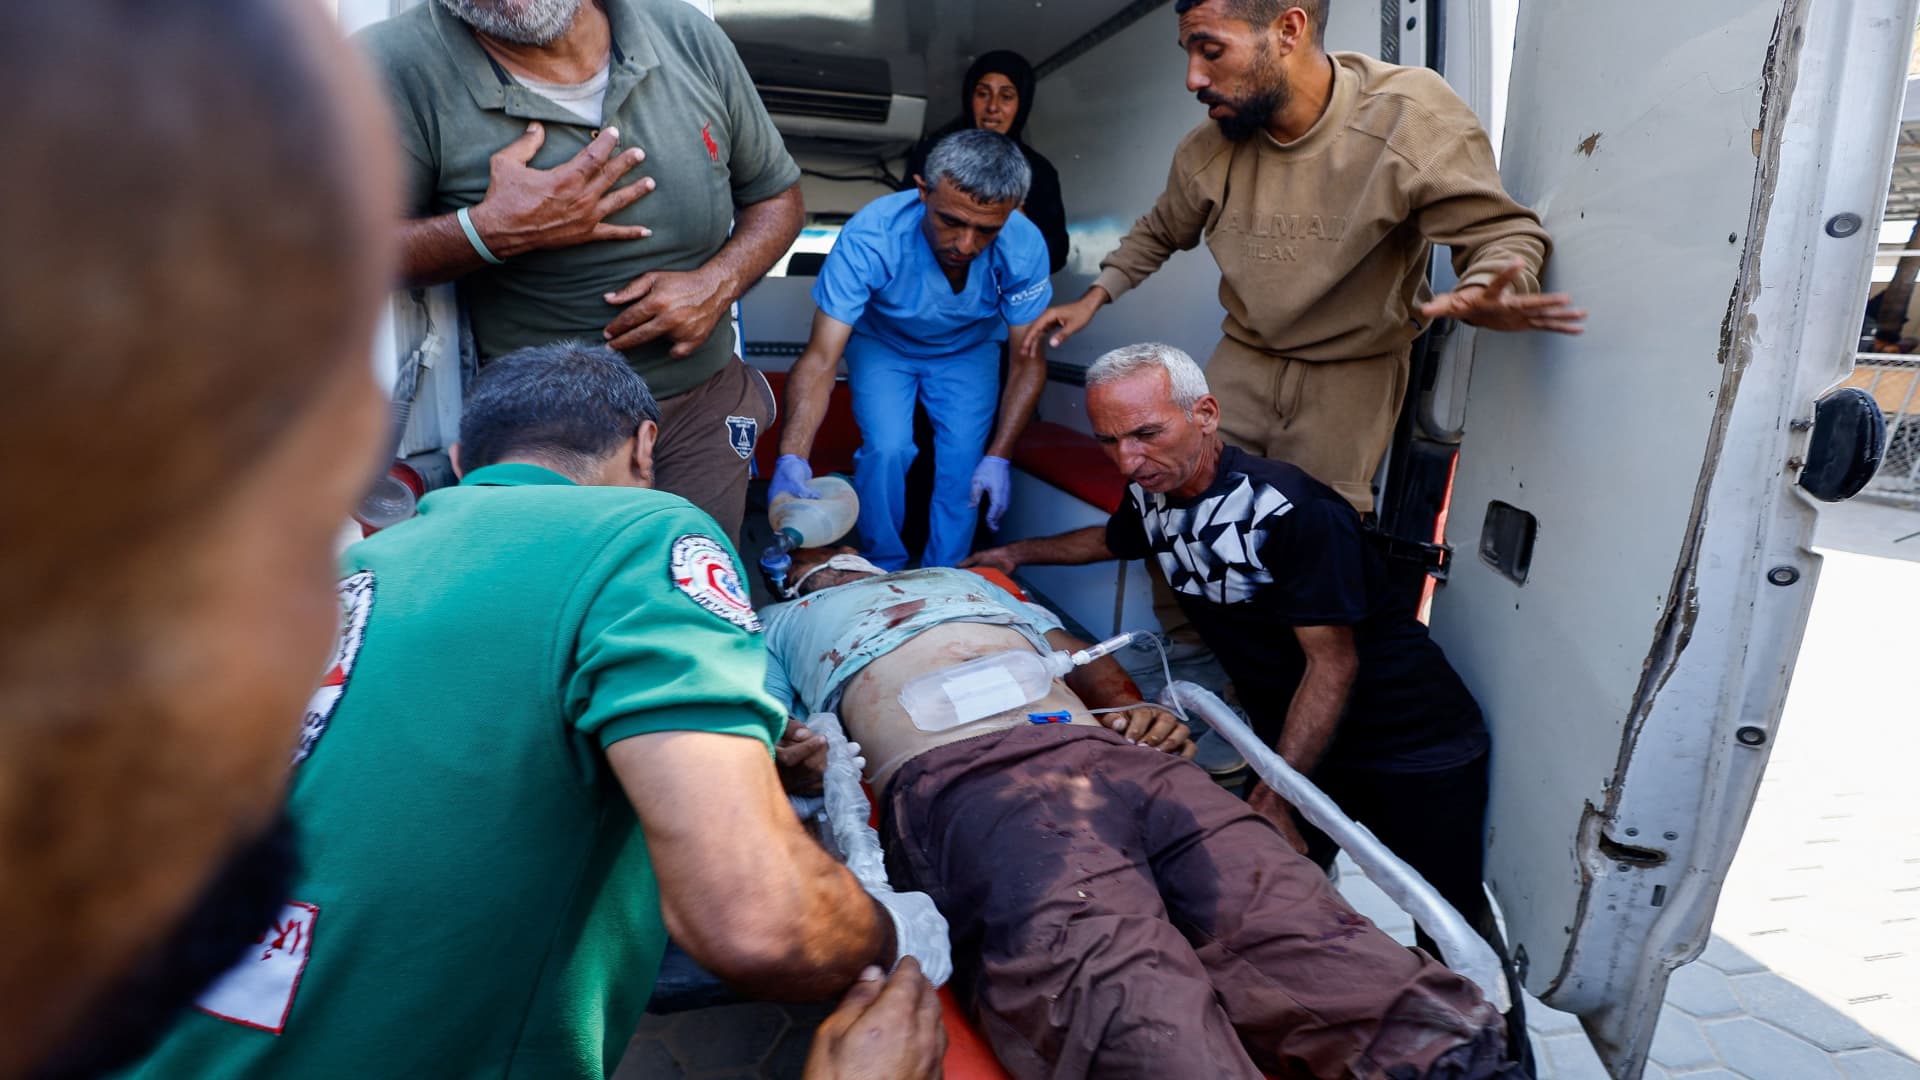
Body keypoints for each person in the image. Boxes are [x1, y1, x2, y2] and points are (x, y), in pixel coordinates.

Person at [119, 344, 937, 1079]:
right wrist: (891, 930)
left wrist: (742, 751)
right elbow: (758, 922)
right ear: (645, 449)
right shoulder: (642, 531)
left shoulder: (351, 569)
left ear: (461, 460)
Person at [760, 550, 1517, 1079]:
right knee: (1121, 993)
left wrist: (1135, 710)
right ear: (793, 582)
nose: (830, 563)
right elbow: (760, 729)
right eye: (808, 565)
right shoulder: (782, 625)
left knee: (1295, 918)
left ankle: (1452, 1064)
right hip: (971, 779)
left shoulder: (963, 583)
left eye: (842, 553)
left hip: (1117, 756)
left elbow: (1080, 655)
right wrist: (801, 757)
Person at [965, 345, 1511, 1019]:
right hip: (1305, 740)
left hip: (1410, 743)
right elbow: (1115, 540)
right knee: (1280, 901)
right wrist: (1016, 553)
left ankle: (1495, 1050)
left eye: (1147, 434)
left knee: (1450, 934)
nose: (1127, 461)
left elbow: (1332, 664)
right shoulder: (1154, 488)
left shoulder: (1292, 511)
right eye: (1109, 441)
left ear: (1205, 414)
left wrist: (1276, 793)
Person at [1023, 0, 1584, 513]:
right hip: (1245, 357)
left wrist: (1494, 288)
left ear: (1288, 30)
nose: (1193, 78)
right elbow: (1159, 230)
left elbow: (1498, 232)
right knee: (1184, 509)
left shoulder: (1406, 116)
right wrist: (1095, 297)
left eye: (1211, 51)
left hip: (1351, 371)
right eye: (1189, 53)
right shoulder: (1208, 148)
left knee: (1310, 536)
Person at [356, 0, 804, 543]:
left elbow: (777, 198)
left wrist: (718, 284)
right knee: (562, 592)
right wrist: (488, 230)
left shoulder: (685, 32)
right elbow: (337, 254)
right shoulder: (390, 62)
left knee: (692, 583)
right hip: (540, 434)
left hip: (701, 412)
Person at [770, 130, 1053, 570]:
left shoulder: (1025, 245)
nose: (966, 245)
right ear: (923, 191)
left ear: (1012, 212)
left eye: (986, 230)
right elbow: (822, 358)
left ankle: (948, 574)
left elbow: (1027, 360)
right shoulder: (871, 236)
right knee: (888, 449)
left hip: (969, 350)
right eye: (951, 221)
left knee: (964, 463)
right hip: (883, 345)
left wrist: (999, 455)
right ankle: (882, 563)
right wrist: (792, 454)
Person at [906, 50, 1071, 274]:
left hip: (997, 291)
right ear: (969, 97)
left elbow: (1056, 256)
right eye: (983, 94)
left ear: (1022, 103)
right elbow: (902, 227)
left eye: (1006, 97)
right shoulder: (933, 153)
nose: (992, 107)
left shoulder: (1040, 172)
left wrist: (1021, 225)